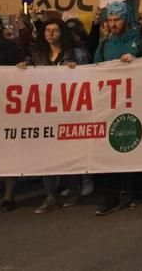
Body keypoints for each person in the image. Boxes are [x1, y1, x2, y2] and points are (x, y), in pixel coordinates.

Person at [17, 19, 91, 213]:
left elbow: (90, 78)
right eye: (47, 30)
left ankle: (74, 189)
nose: (50, 34)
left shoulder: (77, 54)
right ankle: (50, 196)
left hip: (69, 111)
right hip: (45, 112)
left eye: (55, 30)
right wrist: (22, 68)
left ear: (62, 33)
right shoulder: (36, 56)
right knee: (46, 155)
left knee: (68, 153)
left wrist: (78, 70)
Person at [92, 2, 142, 215]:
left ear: (126, 20)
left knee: (133, 143)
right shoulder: (104, 46)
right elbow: (95, 71)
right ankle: (110, 195)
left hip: (137, 102)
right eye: (109, 20)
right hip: (110, 105)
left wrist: (139, 60)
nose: (113, 24)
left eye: (117, 20)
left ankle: (136, 191)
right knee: (109, 149)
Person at [0, 12, 25, 212]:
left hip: (3, 106)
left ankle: (9, 193)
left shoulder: (8, 46)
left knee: (5, 147)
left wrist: (20, 68)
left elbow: (19, 70)